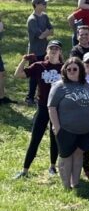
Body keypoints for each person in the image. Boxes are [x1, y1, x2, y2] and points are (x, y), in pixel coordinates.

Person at [14, 41, 64, 179]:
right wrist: (24, 60)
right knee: (35, 138)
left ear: (60, 52)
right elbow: (18, 75)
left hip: (58, 108)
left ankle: (53, 167)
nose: (54, 50)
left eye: (57, 48)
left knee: (55, 137)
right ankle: (25, 170)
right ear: (47, 51)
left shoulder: (64, 68)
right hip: (42, 107)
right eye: (51, 48)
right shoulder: (39, 66)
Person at [47, 57, 89, 189]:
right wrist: (57, 127)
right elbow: (51, 107)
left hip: (87, 130)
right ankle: (66, 186)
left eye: (75, 69)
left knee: (78, 154)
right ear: (64, 70)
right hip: (66, 129)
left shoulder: (88, 85)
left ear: (81, 70)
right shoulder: (59, 86)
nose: (71, 71)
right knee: (66, 156)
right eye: (68, 69)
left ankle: (75, 183)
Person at [26, 0, 54, 103]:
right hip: (35, 52)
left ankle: (41, 95)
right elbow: (41, 36)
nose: (46, 5)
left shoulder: (44, 16)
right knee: (34, 75)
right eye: (43, 3)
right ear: (36, 5)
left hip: (44, 50)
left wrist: (46, 32)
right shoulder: (32, 20)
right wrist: (47, 32)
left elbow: (52, 31)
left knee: (44, 74)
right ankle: (30, 97)